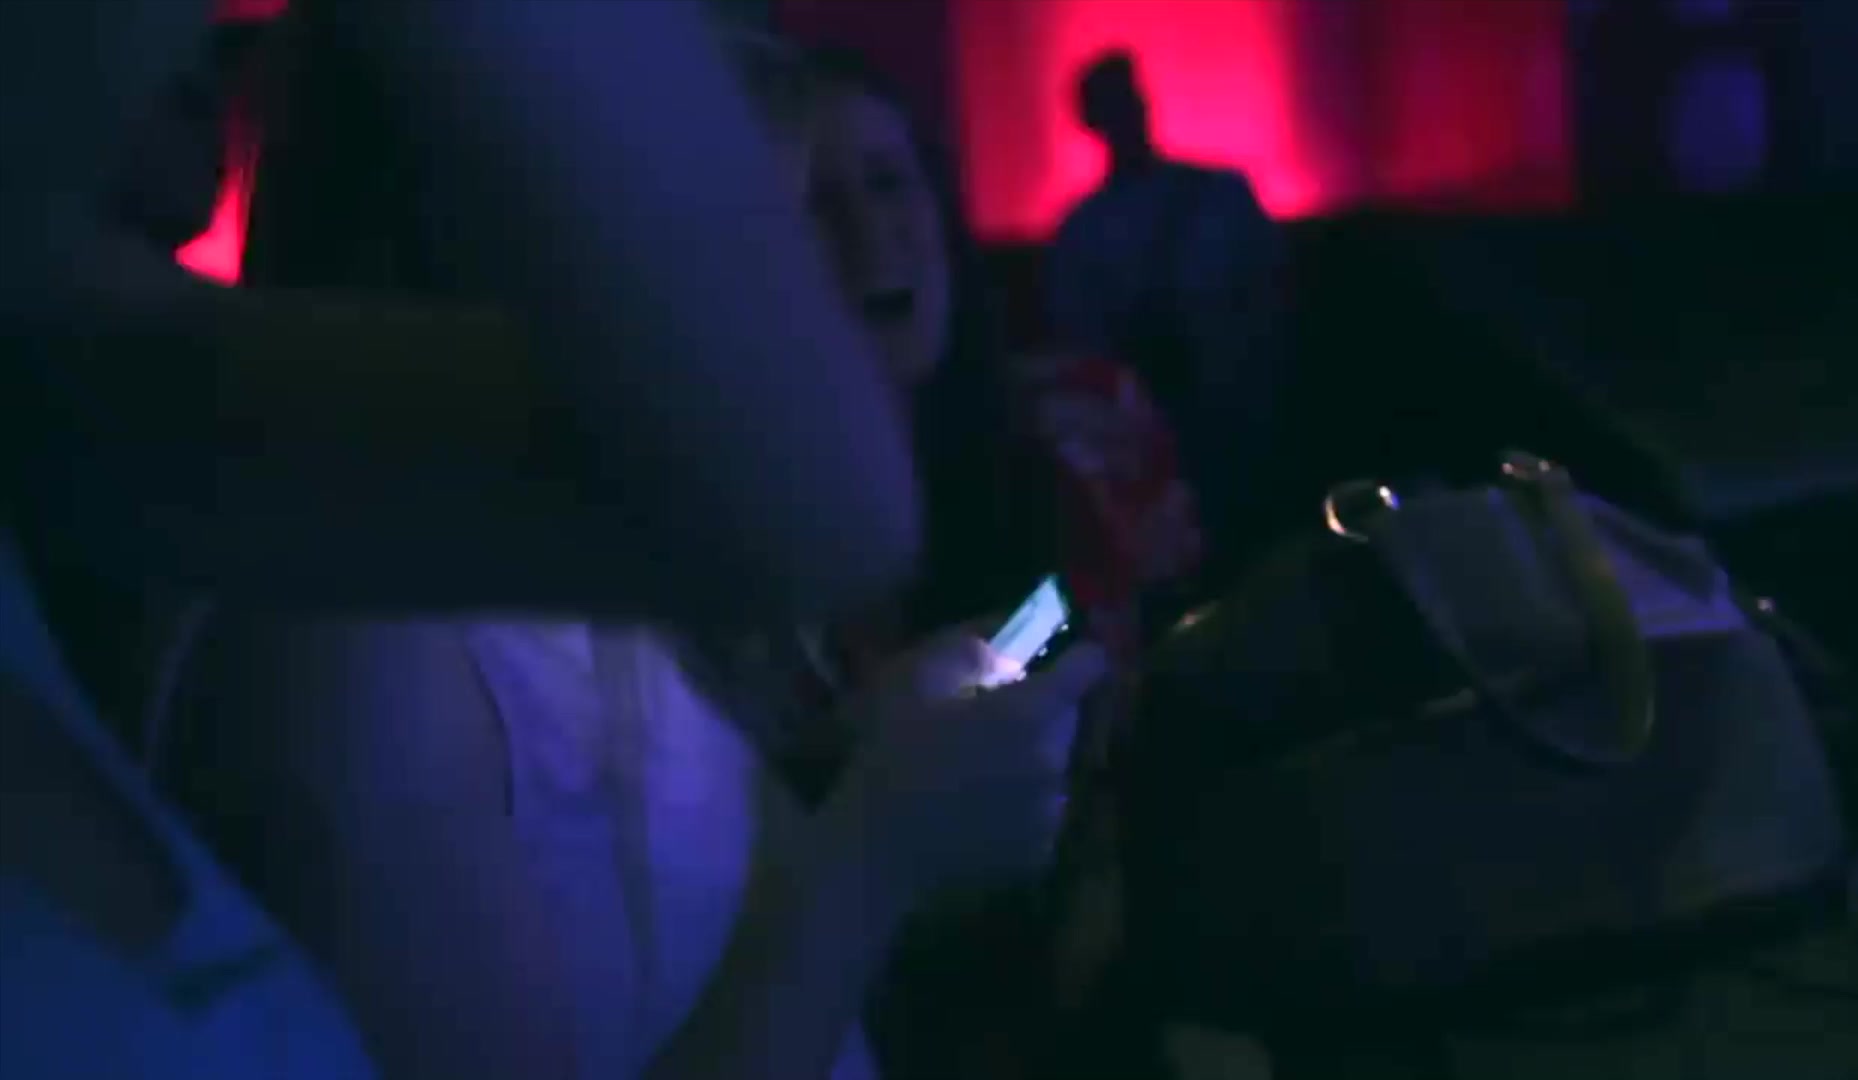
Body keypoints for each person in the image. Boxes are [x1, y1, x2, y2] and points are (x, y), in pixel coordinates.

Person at [159, 12, 1111, 1080]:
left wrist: (880, 761)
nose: (792, 316)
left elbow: (707, 942)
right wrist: (875, 851)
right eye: (739, 249)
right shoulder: (357, 653)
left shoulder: (600, 573)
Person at [1, 0, 934, 1076]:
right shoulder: (351, 643)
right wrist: (871, 856)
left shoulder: (78, 394)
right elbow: (819, 503)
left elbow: (814, 504)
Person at [1047, 49, 1284, 584]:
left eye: (1129, 99)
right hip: (1145, 445)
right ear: (1093, 120)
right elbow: (1079, 344)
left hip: (1238, 421)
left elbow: (1271, 296)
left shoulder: (1219, 196)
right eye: (1115, 104)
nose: (1128, 114)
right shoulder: (1084, 231)